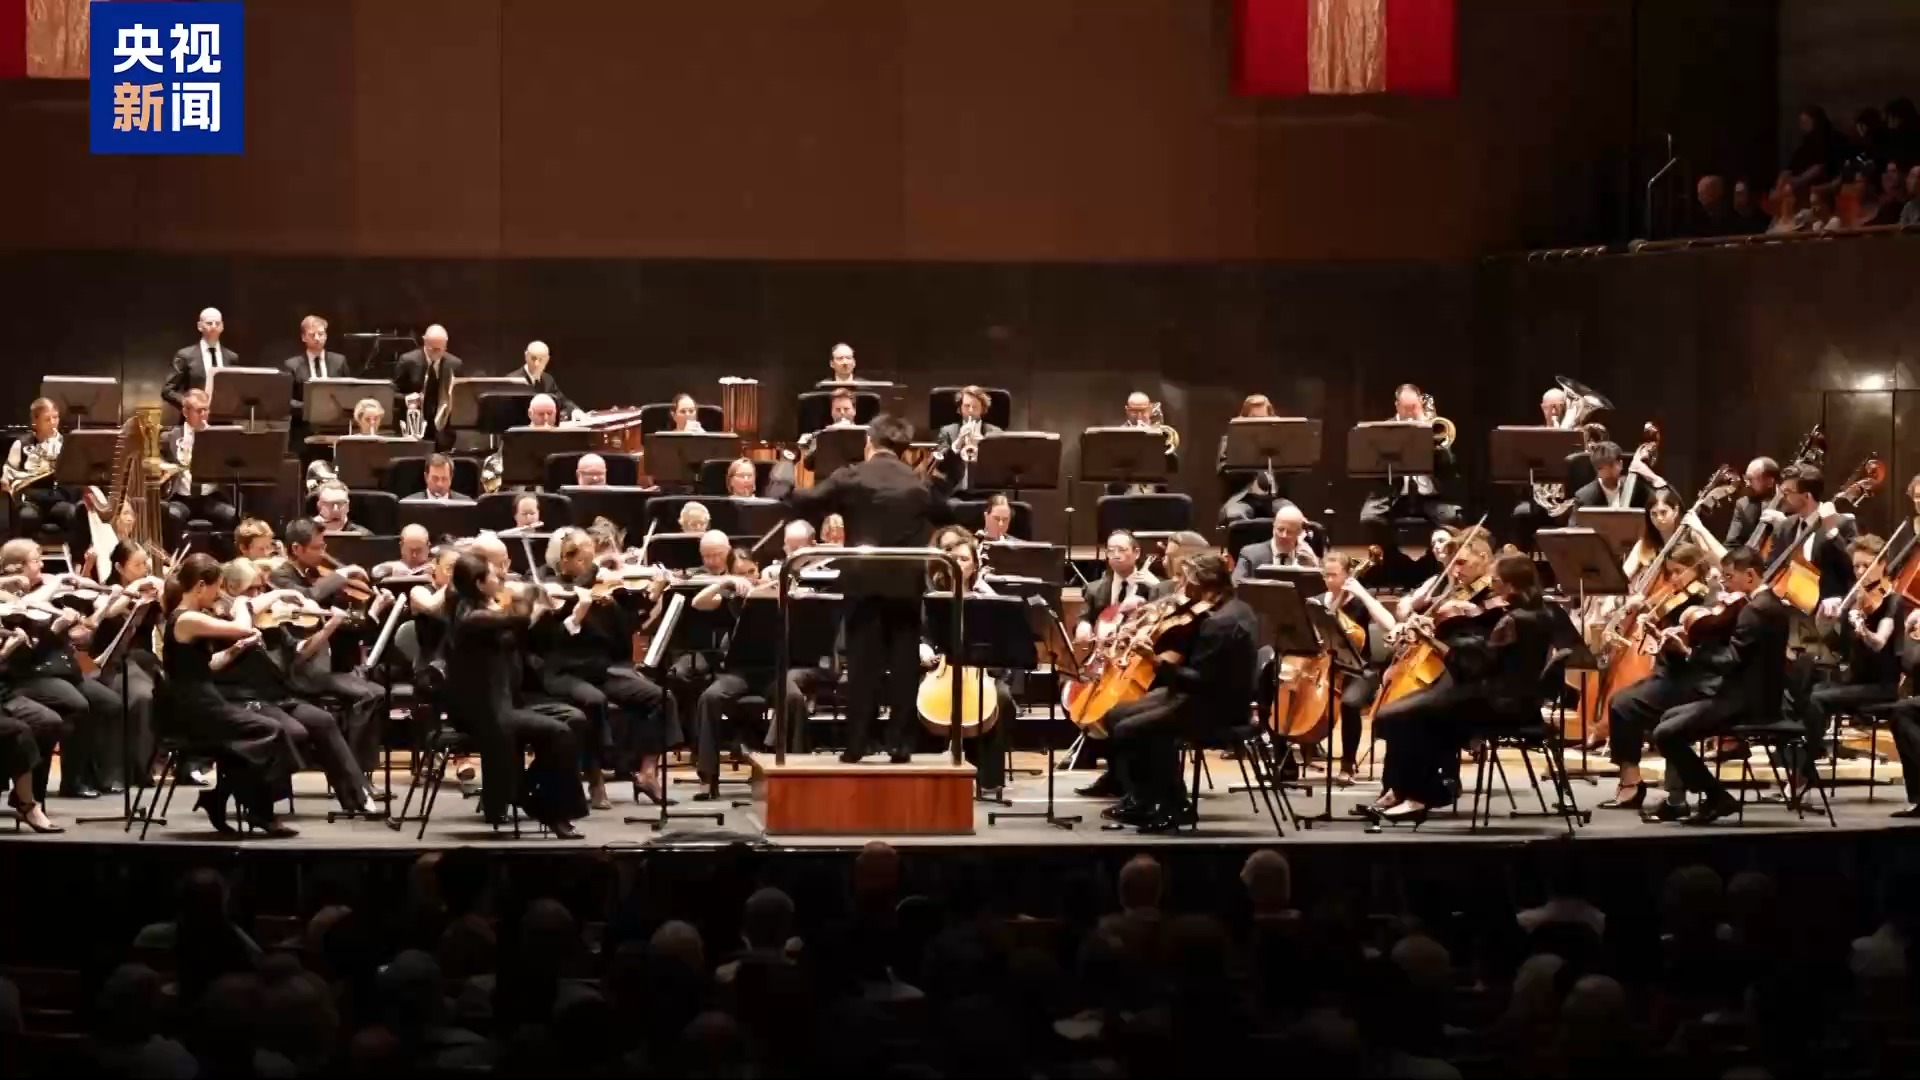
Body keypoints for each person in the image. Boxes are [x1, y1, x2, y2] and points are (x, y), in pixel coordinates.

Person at [782, 413, 951, 763]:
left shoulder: (852, 476)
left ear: (869, 442)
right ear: (904, 448)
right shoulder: (918, 483)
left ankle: (858, 744)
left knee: (862, 667)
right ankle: (901, 745)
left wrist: (784, 471)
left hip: (863, 583)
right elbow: (948, 512)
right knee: (904, 666)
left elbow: (803, 500)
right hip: (906, 587)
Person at [1363, 552, 1552, 823]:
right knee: (1398, 713)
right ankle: (1405, 791)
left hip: (1496, 703)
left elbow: (1475, 666)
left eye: (1496, 580)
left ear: (1510, 585)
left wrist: (1432, 640)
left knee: (1401, 716)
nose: (1491, 584)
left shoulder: (1512, 620)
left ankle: (1422, 794)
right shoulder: (1534, 612)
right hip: (1504, 696)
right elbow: (1486, 657)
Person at [1101, 552, 1259, 832]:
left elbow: (1198, 681)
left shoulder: (1221, 623)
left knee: (1130, 729)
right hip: (1208, 695)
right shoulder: (1233, 608)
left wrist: (1154, 661)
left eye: (1187, 581)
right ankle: (1145, 799)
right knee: (1116, 714)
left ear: (1203, 584)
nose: (1182, 588)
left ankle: (1173, 806)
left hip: (1217, 707)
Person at [1645, 547, 1791, 826]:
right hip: (1753, 696)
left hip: (1747, 703)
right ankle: (1681, 799)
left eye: (1729, 576)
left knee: (1665, 733)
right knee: (1668, 718)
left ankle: (1715, 796)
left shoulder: (1755, 611)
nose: (1724, 583)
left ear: (1750, 575)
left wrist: (1689, 652)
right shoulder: (1768, 604)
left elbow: (1732, 660)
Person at [444, 553, 588, 835]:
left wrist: (545, 606)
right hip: (485, 711)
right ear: (479, 583)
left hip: (508, 701)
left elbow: (520, 632)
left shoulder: (485, 608)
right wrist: (535, 596)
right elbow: (518, 621)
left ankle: (521, 787)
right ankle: (550, 810)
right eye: (493, 575)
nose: (500, 578)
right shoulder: (471, 617)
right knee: (559, 733)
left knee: (575, 720)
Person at [533, 527, 675, 808]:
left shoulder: (601, 591)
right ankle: (595, 779)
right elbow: (556, 626)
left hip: (599, 670)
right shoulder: (551, 586)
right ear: (563, 560)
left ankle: (647, 773)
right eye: (582, 561)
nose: (587, 567)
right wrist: (596, 572)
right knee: (593, 702)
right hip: (563, 672)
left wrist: (649, 598)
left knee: (662, 697)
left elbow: (626, 632)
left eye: (589, 560)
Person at [160, 553, 298, 836]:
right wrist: (243, 604)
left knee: (249, 741)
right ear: (200, 585)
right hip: (193, 710)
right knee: (269, 730)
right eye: (216, 587)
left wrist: (237, 649)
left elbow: (207, 665)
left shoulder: (191, 618)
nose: (217, 594)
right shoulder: (187, 618)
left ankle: (227, 800)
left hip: (203, 701)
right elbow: (243, 628)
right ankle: (252, 809)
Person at [0, 538, 127, 800]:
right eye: (36, 561)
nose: (42, 566)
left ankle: (100, 775)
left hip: (64, 670)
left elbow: (83, 635)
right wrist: (54, 624)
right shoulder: (11, 600)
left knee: (110, 702)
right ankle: (72, 780)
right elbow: (26, 650)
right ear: (16, 567)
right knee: (77, 705)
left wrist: (99, 608)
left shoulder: (46, 592)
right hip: (32, 674)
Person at [1598, 543, 1716, 809]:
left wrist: (1667, 639)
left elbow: (1697, 649)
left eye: (1679, 571)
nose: (1674, 578)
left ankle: (1632, 784)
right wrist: (1641, 614)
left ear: (1695, 567)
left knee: (1623, 705)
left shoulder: (1705, 600)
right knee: (1618, 701)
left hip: (1689, 679)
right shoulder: (1676, 598)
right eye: (1670, 572)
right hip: (1669, 674)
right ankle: (1631, 779)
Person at [1358, 383, 1461, 581]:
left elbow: (1451, 467)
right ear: (1397, 406)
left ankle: (1432, 567)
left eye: (1414, 408)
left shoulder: (1434, 427)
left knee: (1452, 518)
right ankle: (1395, 565)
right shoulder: (1384, 430)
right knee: (1370, 519)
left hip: (1430, 497)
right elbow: (1372, 469)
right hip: (1394, 494)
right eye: (1406, 409)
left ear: (1421, 403)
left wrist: (1435, 442)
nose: (1410, 413)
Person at [83, 542, 164, 792]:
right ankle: (132, 770)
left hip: (145, 660)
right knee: (141, 697)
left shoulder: (151, 593)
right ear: (119, 567)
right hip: (115, 662)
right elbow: (104, 616)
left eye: (146, 564)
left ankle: (171, 764)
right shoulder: (107, 591)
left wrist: (165, 598)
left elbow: (166, 627)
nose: (145, 569)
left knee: (177, 691)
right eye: (137, 565)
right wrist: (132, 591)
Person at [1317, 551, 1399, 786]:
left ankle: (1348, 763)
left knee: (1350, 703)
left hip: (1360, 670)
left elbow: (1389, 624)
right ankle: (1290, 761)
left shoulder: (1361, 601)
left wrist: (1362, 593)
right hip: (1325, 667)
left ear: (1347, 575)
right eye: (1326, 575)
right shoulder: (1319, 601)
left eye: (1334, 575)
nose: (1329, 580)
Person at [160, 389, 239, 547]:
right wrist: (165, 466)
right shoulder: (170, 437)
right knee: (171, 515)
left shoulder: (219, 437)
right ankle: (173, 557)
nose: (203, 415)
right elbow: (158, 461)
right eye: (198, 411)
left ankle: (224, 557)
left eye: (206, 410)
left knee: (231, 515)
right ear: (185, 412)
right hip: (181, 498)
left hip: (210, 498)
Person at [4, 397, 77, 542]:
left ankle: (76, 556)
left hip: (57, 499)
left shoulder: (67, 444)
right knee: (27, 517)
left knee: (73, 514)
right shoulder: (21, 444)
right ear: (35, 422)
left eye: (55, 417)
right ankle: (26, 554)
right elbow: (9, 472)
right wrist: (6, 481)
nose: (53, 423)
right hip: (31, 500)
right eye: (47, 419)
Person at [1218, 392, 1291, 524]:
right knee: (1235, 516)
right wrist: (1250, 463)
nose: (1258, 423)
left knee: (1292, 516)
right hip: (1242, 498)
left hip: (1274, 499)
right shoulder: (1230, 440)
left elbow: (1292, 473)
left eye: (1262, 418)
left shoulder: (1280, 443)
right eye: (1253, 418)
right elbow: (1221, 470)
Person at [392, 325, 463, 449]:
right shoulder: (407, 361)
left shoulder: (455, 364)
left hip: (443, 430)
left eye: (440, 348)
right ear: (425, 341)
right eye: (433, 348)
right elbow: (392, 393)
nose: (437, 352)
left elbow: (461, 397)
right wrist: (407, 398)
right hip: (413, 428)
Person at [162, 307, 238, 411]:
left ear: (222, 327)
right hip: (194, 416)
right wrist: (188, 403)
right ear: (199, 326)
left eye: (217, 323)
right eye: (209, 323)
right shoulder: (185, 355)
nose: (214, 327)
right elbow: (168, 391)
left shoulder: (231, 357)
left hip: (224, 416)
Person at [284, 315, 346, 437]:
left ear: (326, 335)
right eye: (312, 335)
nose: (317, 338)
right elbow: (286, 400)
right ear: (303, 337)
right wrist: (312, 408)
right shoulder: (292, 364)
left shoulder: (339, 361)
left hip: (335, 428)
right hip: (303, 429)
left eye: (321, 334)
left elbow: (348, 392)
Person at [932, 386, 1001, 493]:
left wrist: (983, 446)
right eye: (966, 406)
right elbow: (940, 465)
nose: (970, 411)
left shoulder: (995, 433)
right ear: (960, 408)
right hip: (953, 492)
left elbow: (999, 467)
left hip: (985, 492)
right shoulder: (947, 431)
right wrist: (958, 443)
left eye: (975, 407)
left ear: (983, 409)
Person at [1232, 504, 1318, 583]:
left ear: (1299, 533)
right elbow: (1237, 585)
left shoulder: (1306, 558)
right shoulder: (1249, 555)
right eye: (1280, 529)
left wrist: (1311, 562)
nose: (1284, 535)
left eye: (1290, 532)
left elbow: (1317, 589)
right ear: (1274, 527)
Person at [1572, 441, 1654, 510]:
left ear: (1621, 464)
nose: (1609, 471)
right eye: (1603, 468)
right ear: (1597, 470)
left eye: (1611, 465)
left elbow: (1659, 504)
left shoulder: (1638, 489)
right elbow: (1575, 524)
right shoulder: (1583, 498)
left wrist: (1654, 478)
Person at [515, 341, 583, 420]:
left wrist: (574, 410)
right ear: (526, 356)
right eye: (533, 358)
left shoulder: (548, 379)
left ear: (547, 359)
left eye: (541, 360)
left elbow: (562, 401)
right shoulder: (514, 380)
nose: (536, 364)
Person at [1725, 457, 1783, 550]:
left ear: (1770, 482)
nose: (1747, 484)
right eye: (1746, 478)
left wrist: (1783, 523)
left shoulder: (1789, 504)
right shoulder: (1743, 504)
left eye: (1751, 479)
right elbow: (1731, 544)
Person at [403, 454, 472, 503]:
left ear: (451, 478)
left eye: (444, 479)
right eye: (435, 479)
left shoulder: (467, 504)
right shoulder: (408, 504)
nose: (440, 484)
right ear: (426, 477)